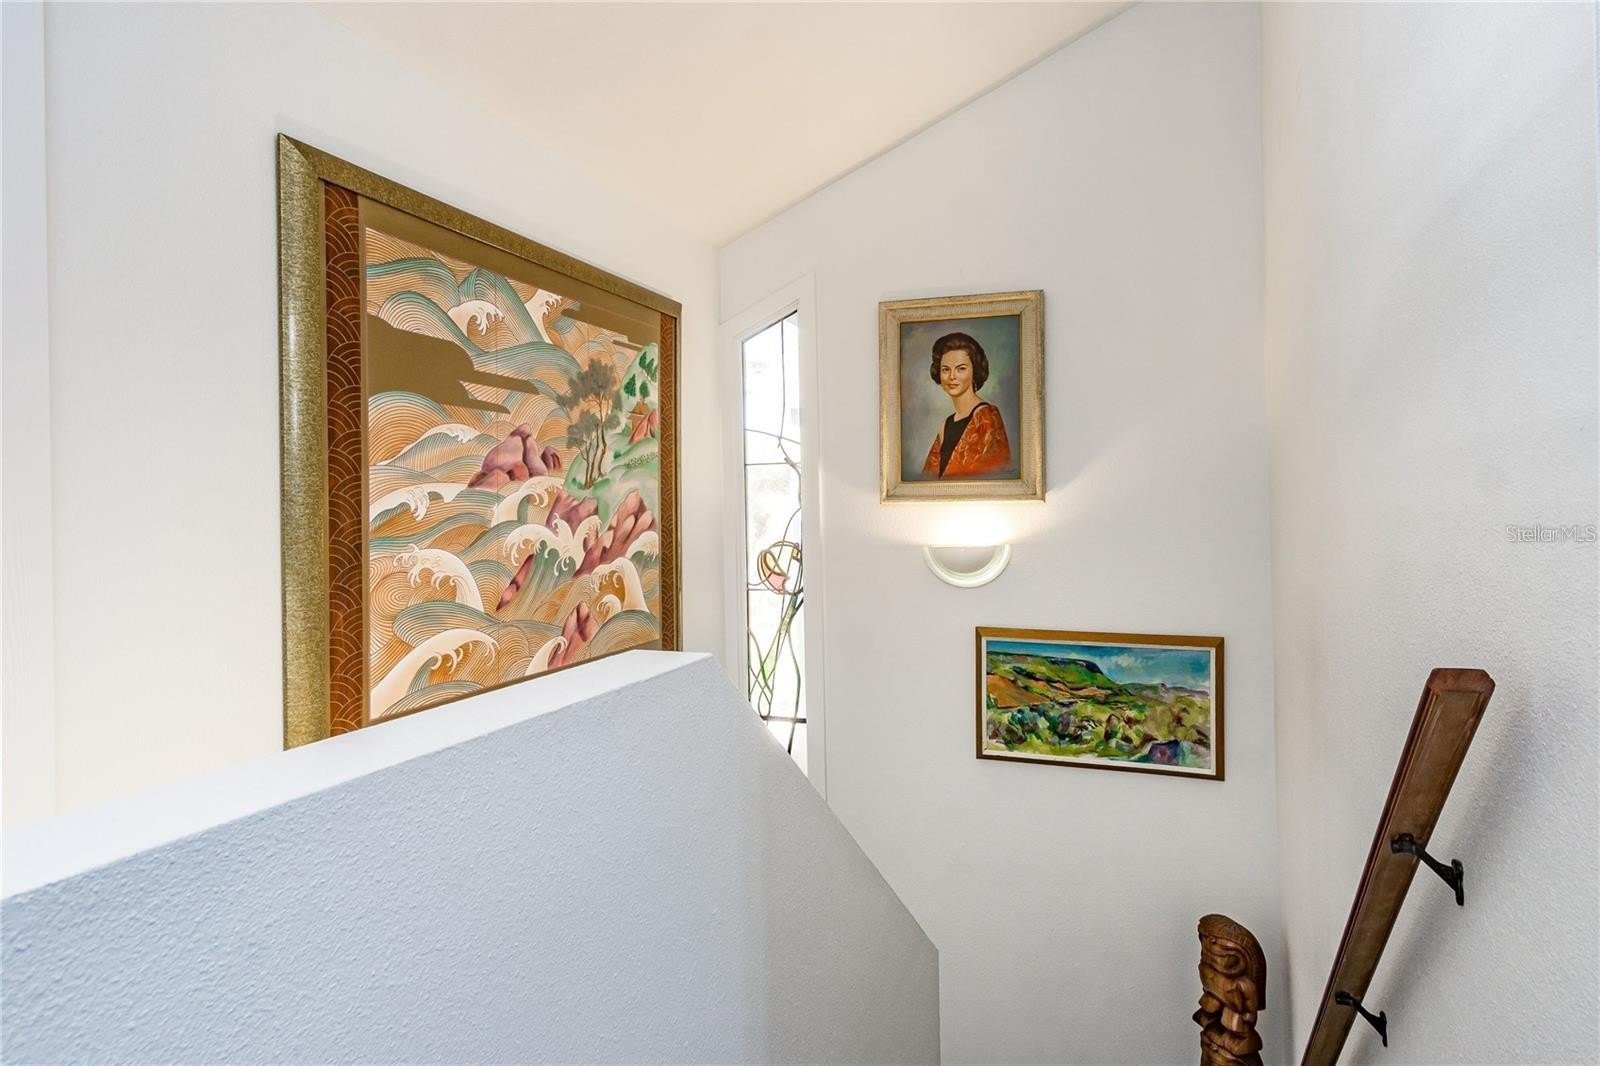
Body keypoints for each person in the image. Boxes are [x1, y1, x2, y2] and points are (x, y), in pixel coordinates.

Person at [920, 332, 1012, 478]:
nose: (952, 376)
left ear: (974, 371)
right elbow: (929, 478)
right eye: (946, 369)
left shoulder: (987, 417)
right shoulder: (945, 425)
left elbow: (994, 472)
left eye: (961, 368)